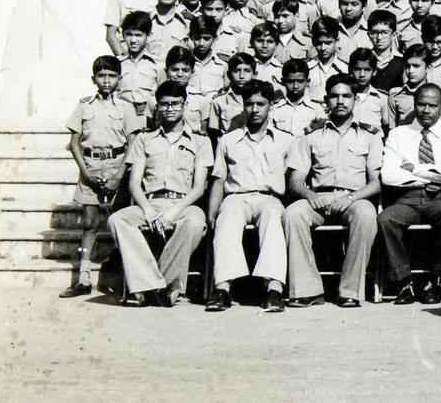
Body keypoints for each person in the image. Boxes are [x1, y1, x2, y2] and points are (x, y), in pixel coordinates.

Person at [107, 81, 212, 307]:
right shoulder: (144, 139)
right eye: (164, 104)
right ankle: (156, 285)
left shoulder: (201, 141)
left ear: (185, 105)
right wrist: (147, 210)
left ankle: (154, 285)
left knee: (195, 223)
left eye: (175, 104)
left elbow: (199, 187)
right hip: (150, 202)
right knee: (117, 220)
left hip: (183, 204)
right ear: (158, 107)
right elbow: (134, 183)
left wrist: (173, 212)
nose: (170, 109)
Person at [283, 74, 383, 308]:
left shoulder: (370, 136)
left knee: (366, 215)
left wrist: (351, 198)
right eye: (334, 96)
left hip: (354, 198)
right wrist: (310, 195)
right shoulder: (311, 136)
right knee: (293, 214)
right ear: (326, 100)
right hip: (319, 197)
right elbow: (295, 181)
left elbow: (377, 182)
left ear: (355, 99)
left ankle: (350, 291)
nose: (340, 101)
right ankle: (307, 290)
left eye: (346, 96)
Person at [59, 56, 146, 297]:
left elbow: (133, 143)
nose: (106, 80)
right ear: (93, 79)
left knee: (122, 222)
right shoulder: (84, 106)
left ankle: (128, 279)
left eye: (111, 76)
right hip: (90, 167)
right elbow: (74, 142)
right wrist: (85, 172)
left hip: (118, 165)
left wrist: (119, 175)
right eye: (101, 76)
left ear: (119, 79)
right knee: (89, 223)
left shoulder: (126, 107)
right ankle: (83, 278)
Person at [206, 80, 294, 313]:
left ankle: (274, 289)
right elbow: (218, 179)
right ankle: (222, 289)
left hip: (270, 197)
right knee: (226, 217)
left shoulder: (286, 140)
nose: (254, 109)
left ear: (270, 105)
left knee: (273, 217)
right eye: (249, 104)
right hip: (237, 196)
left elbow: (293, 180)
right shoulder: (228, 140)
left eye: (260, 104)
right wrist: (212, 213)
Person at [378, 84, 441, 304]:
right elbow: (389, 176)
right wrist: (435, 173)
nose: (426, 110)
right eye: (421, 104)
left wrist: (412, 168)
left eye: (432, 105)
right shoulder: (398, 135)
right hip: (406, 198)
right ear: (414, 104)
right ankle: (404, 282)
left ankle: (435, 279)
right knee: (386, 219)